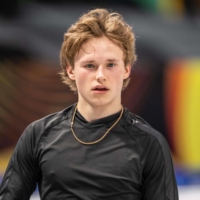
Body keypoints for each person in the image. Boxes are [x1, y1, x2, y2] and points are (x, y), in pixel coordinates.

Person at [0, 8, 179, 200]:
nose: (100, 76)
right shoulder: (38, 135)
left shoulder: (149, 144)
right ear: (70, 70)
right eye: (90, 65)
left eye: (111, 64)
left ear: (126, 70)